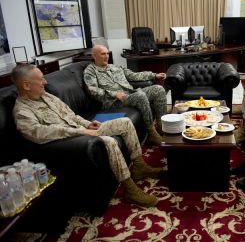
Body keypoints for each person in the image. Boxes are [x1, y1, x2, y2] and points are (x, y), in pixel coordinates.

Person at [12, 63, 162, 207]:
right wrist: (82, 131)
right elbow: (40, 133)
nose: (45, 82)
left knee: (125, 122)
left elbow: (71, 115)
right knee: (109, 141)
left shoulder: (47, 96)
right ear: (26, 85)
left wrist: (87, 124)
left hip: (81, 130)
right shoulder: (22, 112)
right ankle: (130, 189)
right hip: (70, 141)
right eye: (41, 79)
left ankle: (139, 166)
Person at [83, 45, 167, 146]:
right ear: (94, 56)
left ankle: (162, 126)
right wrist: (114, 94)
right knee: (140, 96)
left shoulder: (114, 67)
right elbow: (92, 90)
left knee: (158, 89)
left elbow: (133, 75)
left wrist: (154, 75)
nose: (106, 56)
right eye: (103, 54)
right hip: (113, 102)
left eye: (107, 54)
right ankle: (151, 132)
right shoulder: (90, 71)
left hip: (130, 95)